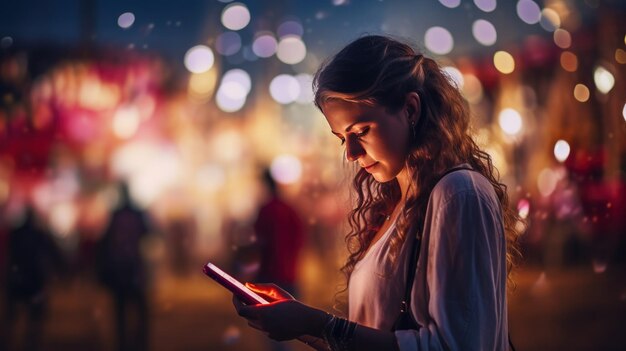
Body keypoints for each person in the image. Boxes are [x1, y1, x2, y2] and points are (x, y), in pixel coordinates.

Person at [230, 35, 521, 351]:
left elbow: (459, 346)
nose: (351, 153)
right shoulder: (400, 203)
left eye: (360, 131)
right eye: (342, 138)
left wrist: (318, 323)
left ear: (410, 108)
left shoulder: (459, 194)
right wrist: (300, 323)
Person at [96, 182, 151, 351]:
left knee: (121, 311)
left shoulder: (115, 215)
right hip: (133, 267)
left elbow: (104, 241)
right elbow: (149, 232)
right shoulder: (138, 214)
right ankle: (139, 343)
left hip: (119, 268)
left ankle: (123, 344)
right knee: (140, 309)